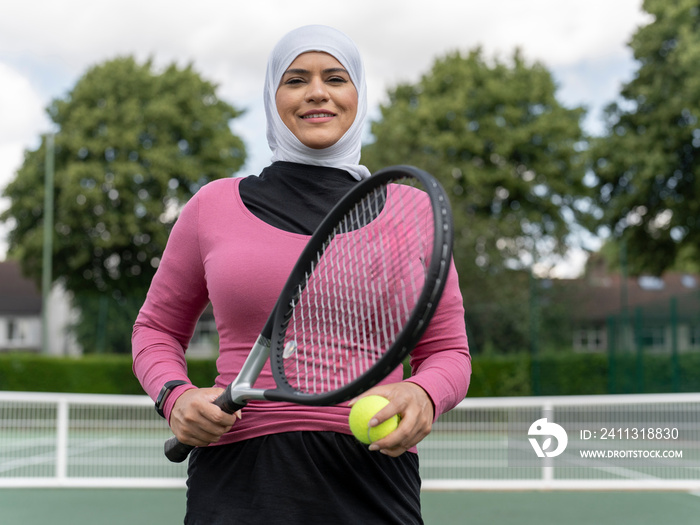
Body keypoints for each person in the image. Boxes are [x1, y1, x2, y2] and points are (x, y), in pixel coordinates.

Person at [132, 24, 471, 525]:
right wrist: (174, 396)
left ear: (356, 93)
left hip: (374, 477)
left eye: (335, 77)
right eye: (295, 79)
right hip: (238, 479)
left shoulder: (412, 210)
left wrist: (424, 394)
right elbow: (155, 330)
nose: (317, 92)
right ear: (273, 98)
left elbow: (448, 351)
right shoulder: (212, 206)